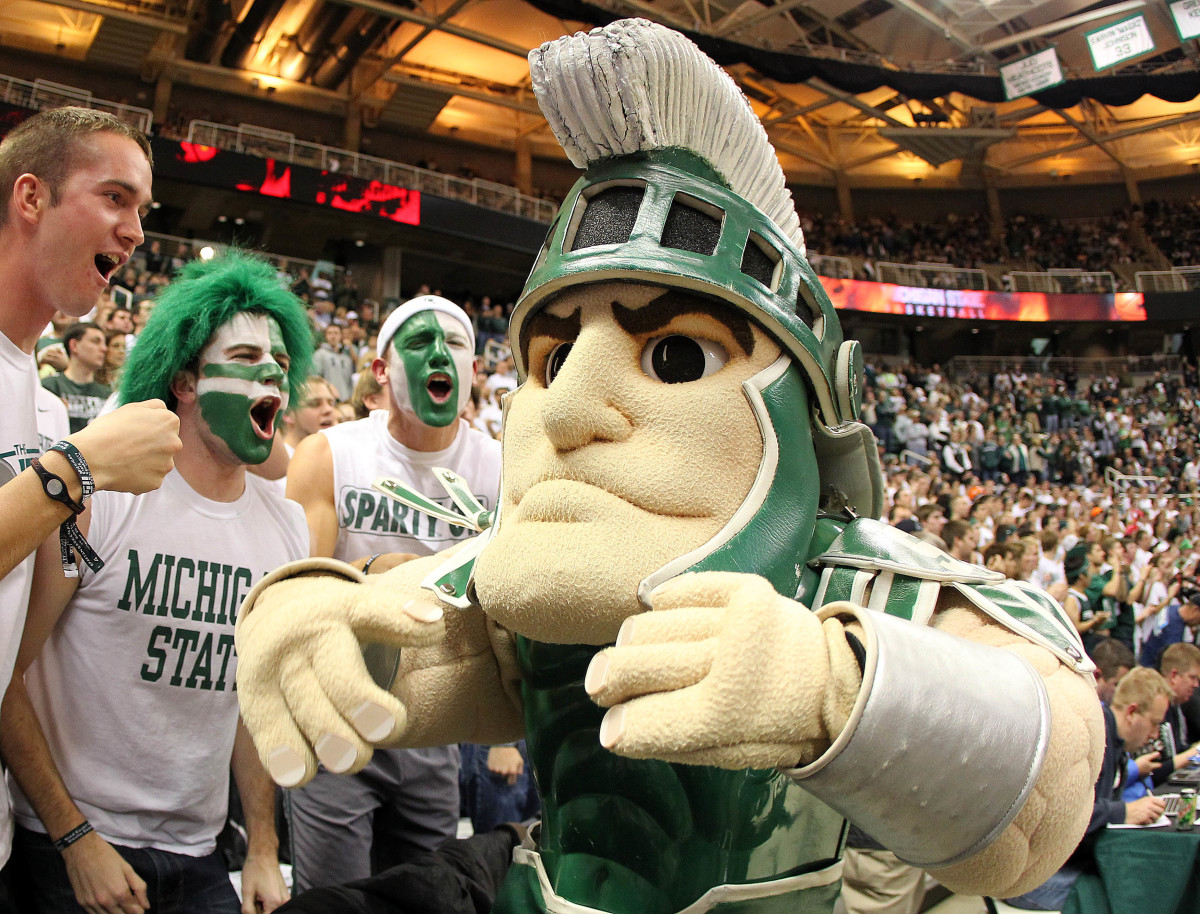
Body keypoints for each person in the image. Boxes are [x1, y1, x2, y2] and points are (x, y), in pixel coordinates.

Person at [235, 21, 1102, 914]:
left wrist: (833, 686)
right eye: (551, 361)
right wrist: (312, 614)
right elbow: (404, 631)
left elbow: (1046, 789)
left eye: (677, 359)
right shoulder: (537, 566)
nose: (567, 409)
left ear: (812, 409)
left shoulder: (862, 579)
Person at [0, 252, 312, 914]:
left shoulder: (286, 527)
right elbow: (6, 672)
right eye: (248, 355)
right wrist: (73, 837)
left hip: (202, 857)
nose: (272, 375)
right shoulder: (100, 499)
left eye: (282, 364)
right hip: (71, 851)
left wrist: (261, 845)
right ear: (185, 380)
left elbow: (252, 701)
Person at [0, 106, 181, 889]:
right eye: (115, 198)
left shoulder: (39, 405)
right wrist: (76, 469)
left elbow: (17, 648)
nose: (136, 231)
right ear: (31, 198)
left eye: (142, 210)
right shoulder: (62, 439)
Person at [283, 294, 501, 892]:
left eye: (456, 344)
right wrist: (374, 572)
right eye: (420, 342)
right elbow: (293, 598)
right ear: (380, 370)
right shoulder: (330, 453)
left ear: (474, 369)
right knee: (333, 902)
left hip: (435, 723)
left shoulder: (502, 469)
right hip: (340, 713)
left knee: (429, 898)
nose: (440, 354)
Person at [1004, 667, 1170, 910]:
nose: (1156, 734)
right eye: (1154, 723)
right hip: (1031, 877)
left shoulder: (1112, 743)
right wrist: (1121, 812)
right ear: (1132, 712)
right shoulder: (1088, 741)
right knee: (1125, 893)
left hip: (1059, 864)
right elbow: (1059, 815)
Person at [41, 322, 111, 433]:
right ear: (74, 345)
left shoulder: (107, 394)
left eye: (104, 343)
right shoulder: (50, 386)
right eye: (95, 342)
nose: (104, 349)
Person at [312, 323, 355, 402]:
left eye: (336, 333)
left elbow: (349, 383)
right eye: (330, 333)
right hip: (328, 399)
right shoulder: (319, 354)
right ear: (326, 336)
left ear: (341, 336)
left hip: (344, 400)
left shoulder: (346, 359)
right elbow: (314, 377)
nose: (333, 336)